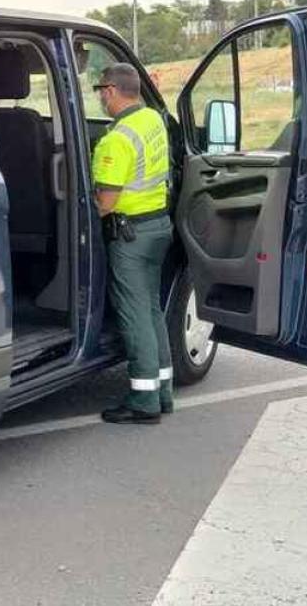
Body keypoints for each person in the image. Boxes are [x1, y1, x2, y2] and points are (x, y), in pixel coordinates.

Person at [91, 63, 173, 424]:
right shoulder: (153, 120)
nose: (100, 100)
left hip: (130, 237)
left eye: (99, 93)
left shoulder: (116, 140)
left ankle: (144, 400)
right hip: (157, 227)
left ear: (110, 91)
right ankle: (163, 392)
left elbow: (105, 204)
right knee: (152, 310)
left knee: (134, 314)